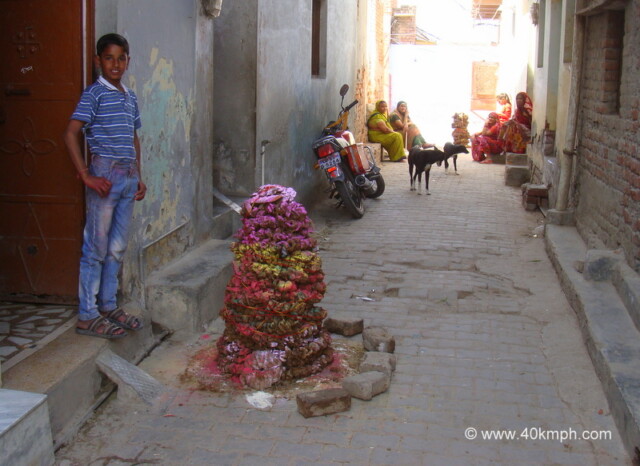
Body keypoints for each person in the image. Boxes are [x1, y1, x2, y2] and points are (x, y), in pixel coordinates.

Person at [64, 33, 147, 339]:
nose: (115, 64)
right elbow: (70, 133)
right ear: (98, 61)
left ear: (127, 61)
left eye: (121, 58)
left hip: (127, 178)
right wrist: (85, 173)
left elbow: (133, 137)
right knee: (96, 248)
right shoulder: (94, 94)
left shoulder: (129, 96)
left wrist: (138, 175)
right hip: (104, 175)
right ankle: (87, 315)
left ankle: (108, 305)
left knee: (117, 248)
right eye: (109, 58)